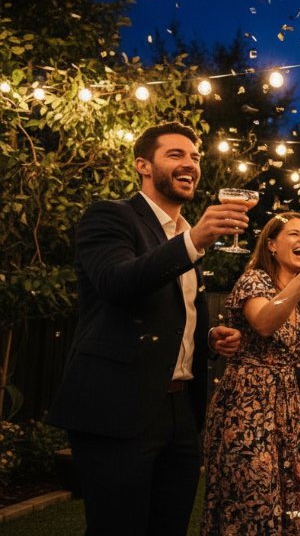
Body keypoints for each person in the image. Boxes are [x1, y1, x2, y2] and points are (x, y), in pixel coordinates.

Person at [46, 122, 246, 536]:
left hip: (179, 410)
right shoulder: (111, 216)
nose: (189, 163)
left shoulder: (183, 233)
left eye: (194, 157)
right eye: (175, 154)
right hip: (116, 405)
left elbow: (168, 313)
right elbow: (117, 283)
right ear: (143, 165)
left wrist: (205, 338)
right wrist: (194, 242)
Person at [202, 212, 300, 535]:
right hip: (248, 408)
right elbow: (264, 323)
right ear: (272, 245)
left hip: (288, 409)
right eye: (295, 234)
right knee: (254, 502)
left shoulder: (296, 292)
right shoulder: (255, 281)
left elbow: (278, 350)